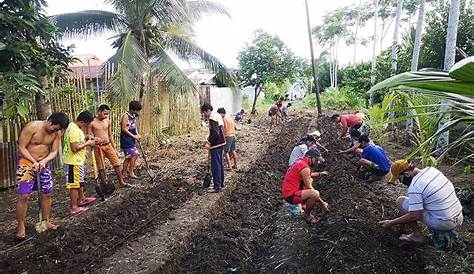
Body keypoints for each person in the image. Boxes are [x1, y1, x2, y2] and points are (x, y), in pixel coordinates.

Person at [379, 160, 463, 247]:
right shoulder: (432, 170)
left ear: (406, 174)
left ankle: (417, 236)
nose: (401, 182)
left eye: (400, 178)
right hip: (459, 216)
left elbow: (415, 215)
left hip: (444, 222)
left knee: (400, 201)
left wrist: (391, 223)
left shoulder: (415, 186)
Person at [15, 112, 69, 240]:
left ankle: (46, 220)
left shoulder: (57, 132)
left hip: (43, 164)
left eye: (58, 130)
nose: (55, 131)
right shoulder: (32, 127)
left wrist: (43, 161)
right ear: (49, 121)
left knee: (47, 193)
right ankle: (21, 226)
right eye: (55, 128)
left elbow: (55, 151)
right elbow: (21, 147)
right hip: (26, 163)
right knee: (24, 195)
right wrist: (33, 162)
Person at [281, 149, 330, 224]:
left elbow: (307, 174)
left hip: (287, 192)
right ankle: (307, 215)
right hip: (290, 195)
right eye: (316, 160)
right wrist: (322, 203)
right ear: (310, 157)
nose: (318, 162)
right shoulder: (305, 167)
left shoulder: (300, 161)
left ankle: (303, 205)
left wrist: (320, 174)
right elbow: (310, 188)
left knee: (309, 184)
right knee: (315, 194)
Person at [63, 111, 97, 215]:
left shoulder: (75, 128)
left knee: (79, 182)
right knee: (74, 185)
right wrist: (88, 143)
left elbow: (78, 141)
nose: (87, 127)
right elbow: (74, 148)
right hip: (73, 162)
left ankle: (82, 199)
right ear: (82, 121)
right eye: (86, 124)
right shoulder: (73, 130)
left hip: (78, 161)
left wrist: (86, 138)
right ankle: (74, 207)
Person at [88, 104, 129, 188]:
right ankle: (104, 185)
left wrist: (114, 148)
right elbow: (89, 135)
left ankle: (121, 181)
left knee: (117, 164)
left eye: (107, 114)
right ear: (99, 112)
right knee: (101, 167)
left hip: (108, 145)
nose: (106, 116)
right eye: (105, 113)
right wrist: (94, 139)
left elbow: (110, 135)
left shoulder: (108, 121)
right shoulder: (92, 123)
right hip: (98, 147)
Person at [201, 103, 226, 193]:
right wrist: (209, 138)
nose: (204, 115)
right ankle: (221, 183)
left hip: (216, 144)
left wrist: (209, 143)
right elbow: (220, 130)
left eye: (204, 113)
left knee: (215, 166)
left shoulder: (212, 117)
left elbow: (215, 133)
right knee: (220, 164)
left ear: (208, 110)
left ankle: (217, 187)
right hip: (222, 142)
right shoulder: (218, 115)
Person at [120, 101, 142, 183]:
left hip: (131, 138)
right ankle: (131, 172)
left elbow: (134, 126)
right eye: (137, 110)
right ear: (132, 109)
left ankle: (124, 173)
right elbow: (124, 129)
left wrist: (137, 134)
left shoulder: (133, 116)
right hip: (126, 138)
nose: (139, 112)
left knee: (129, 157)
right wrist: (134, 136)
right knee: (135, 154)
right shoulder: (126, 116)